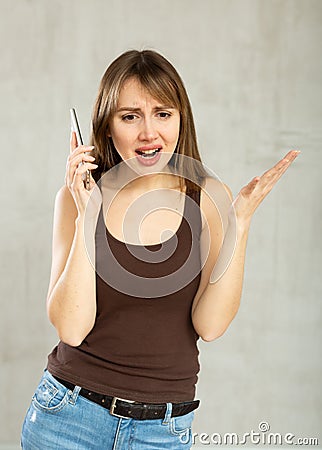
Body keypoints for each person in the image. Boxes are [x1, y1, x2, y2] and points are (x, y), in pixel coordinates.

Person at [20, 49, 300, 450]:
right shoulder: (77, 199)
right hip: (68, 418)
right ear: (108, 125)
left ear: (180, 118)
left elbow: (211, 326)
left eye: (163, 114)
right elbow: (71, 327)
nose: (149, 132)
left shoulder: (207, 198)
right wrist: (86, 216)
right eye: (130, 116)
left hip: (161, 431)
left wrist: (239, 223)